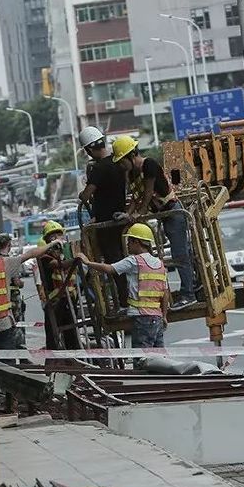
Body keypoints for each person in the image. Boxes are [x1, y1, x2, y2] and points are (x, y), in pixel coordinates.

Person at [112, 135, 196, 311]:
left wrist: (139, 214)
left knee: (180, 254)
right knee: (181, 251)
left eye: (122, 161)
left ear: (131, 155)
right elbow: (136, 198)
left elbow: (148, 192)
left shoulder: (148, 165)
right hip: (163, 215)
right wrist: (128, 214)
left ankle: (189, 294)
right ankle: (193, 285)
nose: (121, 166)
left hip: (173, 211)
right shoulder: (132, 174)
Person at [78, 223, 168, 349]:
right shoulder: (160, 264)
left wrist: (87, 262)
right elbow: (165, 293)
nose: (127, 244)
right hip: (157, 317)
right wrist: (164, 316)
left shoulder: (134, 261)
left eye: (129, 241)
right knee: (159, 359)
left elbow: (109, 268)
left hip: (142, 318)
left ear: (137, 242)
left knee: (142, 359)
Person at [0, 230, 59, 350]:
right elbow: (31, 254)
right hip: (2, 326)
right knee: (8, 363)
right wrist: (52, 244)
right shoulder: (4, 264)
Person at [78, 126, 128, 307]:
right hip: (121, 218)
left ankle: (124, 301)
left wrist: (82, 195)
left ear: (89, 149)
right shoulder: (118, 163)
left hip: (106, 224)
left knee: (114, 263)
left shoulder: (99, 168)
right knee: (125, 257)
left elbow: (86, 195)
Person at [38, 220, 81, 349]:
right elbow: (56, 265)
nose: (57, 239)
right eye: (53, 237)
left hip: (69, 299)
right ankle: (54, 361)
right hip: (55, 301)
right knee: (53, 336)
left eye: (58, 235)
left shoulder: (66, 253)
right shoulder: (45, 256)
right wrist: (75, 260)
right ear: (47, 241)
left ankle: (74, 359)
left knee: (71, 333)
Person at [0, 233, 25, 323]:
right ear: (9, 245)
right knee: (17, 324)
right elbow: (17, 282)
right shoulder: (10, 261)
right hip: (13, 299)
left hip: (0, 300)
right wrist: (22, 283)